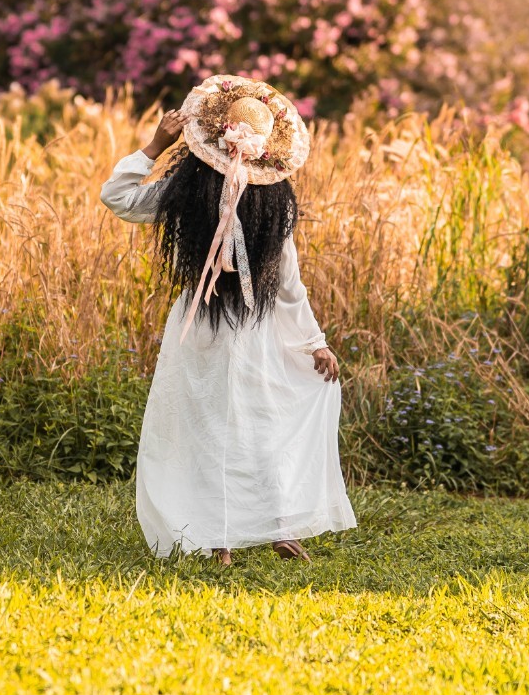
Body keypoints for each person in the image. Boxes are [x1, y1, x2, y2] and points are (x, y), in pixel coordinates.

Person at [101, 74, 357, 564]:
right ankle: (254, 529)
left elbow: (119, 196)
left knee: (210, 423)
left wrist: (154, 145)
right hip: (247, 327)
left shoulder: (190, 196)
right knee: (261, 421)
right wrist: (311, 343)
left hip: (203, 326)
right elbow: (288, 286)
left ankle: (240, 533)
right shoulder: (266, 204)